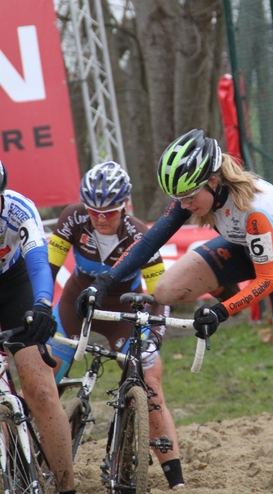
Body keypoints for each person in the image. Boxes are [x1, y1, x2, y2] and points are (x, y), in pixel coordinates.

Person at [76, 130, 273, 494]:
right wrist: (106, 280)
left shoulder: (254, 209)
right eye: (179, 198)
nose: (185, 205)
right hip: (243, 250)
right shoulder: (197, 191)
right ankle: (231, 295)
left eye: (190, 198)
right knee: (166, 289)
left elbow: (268, 280)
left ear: (213, 180)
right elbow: (151, 240)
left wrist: (220, 311)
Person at [47, 161, 185, 491]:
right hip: (77, 305)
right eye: (94, 211)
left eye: (109, 211)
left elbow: (160, 293)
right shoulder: (72, 217)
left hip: (123, 311)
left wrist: (155, 337)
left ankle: (175, 478)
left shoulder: (139, 232)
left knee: (150, 380)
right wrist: (38, 308)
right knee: (44, 371)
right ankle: (24, 448)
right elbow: (46, 268)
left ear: (124, 205)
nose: (100, 218)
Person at [0, 160, 76, 494]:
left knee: (42, 391)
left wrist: (43, 305)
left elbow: (39, 265)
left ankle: (67, 485)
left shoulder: (18, 209)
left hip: (14, 283)